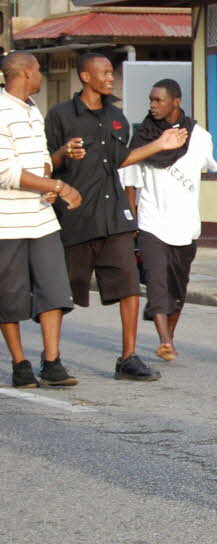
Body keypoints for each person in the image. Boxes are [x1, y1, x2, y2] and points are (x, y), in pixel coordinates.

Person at [45, 53, 188, 382]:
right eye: (105, 72)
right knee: (58, 291)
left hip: (115, 219)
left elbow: (120, 159)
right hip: (75, 218)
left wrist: (159, 144)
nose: (111, 77)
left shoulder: (116, 116)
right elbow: (46, 164)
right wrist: (64, 152)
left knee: (128, 288)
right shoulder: (60, 115)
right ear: (85, 76)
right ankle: (51, 359)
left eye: (112, 72)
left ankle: (128, 357)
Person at [119, 79, 217, 362]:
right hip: (151, 222)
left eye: (158, 100)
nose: (152, 105)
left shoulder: (200, 137)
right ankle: (164, 339)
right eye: (150, 100)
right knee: (156, 282)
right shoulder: (143, 138)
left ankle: (169, 338)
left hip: (186, 225)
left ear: (176, 101)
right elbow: (129, 182)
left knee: (178, 289)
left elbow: (206, 165)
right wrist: (132, 222)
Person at [0, 52, 82, 389]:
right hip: (7, 221)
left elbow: (39, 163)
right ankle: (20, 364)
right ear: (23, 73)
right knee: (10, 296)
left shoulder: (32, 108)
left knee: (54, 291)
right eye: (37, 69)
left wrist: (54, 168)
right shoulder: (2, 110)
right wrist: (58, 186)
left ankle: (52, 361)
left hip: (41, 218)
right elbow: (6, 171)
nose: (41, 75)